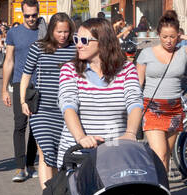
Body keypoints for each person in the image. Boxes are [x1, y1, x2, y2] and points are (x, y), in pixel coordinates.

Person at [57, 17, 142, 164]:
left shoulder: (127, 69)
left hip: (115, 153)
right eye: (76, 39)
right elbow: (68, 105)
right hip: (79, 153)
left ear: (102, 43)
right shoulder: (69, 70)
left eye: (84, 41)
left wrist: (130, 133)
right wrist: (81, 137)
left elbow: (135, 102)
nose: (78, 45)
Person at [136, 12, 187, 171]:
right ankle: (157, 192)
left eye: (172, 37)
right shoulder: (146, 53)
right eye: (165, 36)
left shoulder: (182, 52)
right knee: (159, 155)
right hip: (153, 108)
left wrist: (184, 37)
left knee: (166, 155)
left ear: (178, 35)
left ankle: (164, 191)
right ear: (158, 35)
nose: (168, 41)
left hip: (174, 109)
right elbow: (138, 83)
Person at [19, 13, 76, 188]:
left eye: (66, 31)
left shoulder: (75, 49)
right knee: (45, 153)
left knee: (60, 155)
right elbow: (26, 74)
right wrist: (23, 101)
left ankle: (57, 192)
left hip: (66, 111)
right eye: (59, 31)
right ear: (51, 30)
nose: (63, 35)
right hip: (42, 109)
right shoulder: (38, 47)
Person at [2, 0, 43, 181]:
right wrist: (4, 88)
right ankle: (20, 167)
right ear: (22, 13)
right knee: (20, 124)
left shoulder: (45, 31)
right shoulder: (14, 33)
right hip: (20, 83)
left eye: (34, 15)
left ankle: (30, 164)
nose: (31, 19)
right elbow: (9, 60)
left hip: (41, 83)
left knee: (37, 126)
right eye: (27, 16)